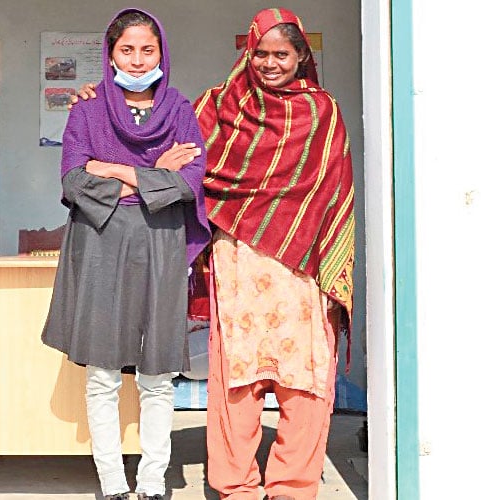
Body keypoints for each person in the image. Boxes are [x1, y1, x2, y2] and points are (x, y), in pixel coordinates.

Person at [72, 7, 355, 499]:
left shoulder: (322, 111)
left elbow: (332, 191)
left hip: (300, 267)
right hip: (237, 260)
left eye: (282, 55)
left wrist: (128, 173)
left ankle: (292, 486)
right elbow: (185, 170)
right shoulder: (218, 105)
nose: (271, 63)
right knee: (237, 378)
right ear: (248, 53)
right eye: (261, 53)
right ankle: (235, 485)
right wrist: (144, 165)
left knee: (302, 376)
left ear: (301, 57)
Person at [41, 7, 211, 500]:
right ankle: (113, 482)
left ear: (162, 54)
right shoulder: (87, 109)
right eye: (127, 50)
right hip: (100, 241)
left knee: (158, 373)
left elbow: (190, 180)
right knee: (103, 373)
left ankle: (153, 480)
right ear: (110, 54)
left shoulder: (179, 109)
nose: (137, 61)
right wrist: (154, 173)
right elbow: (74, 180)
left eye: (147, 50)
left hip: (161, 243)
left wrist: (115, 169)